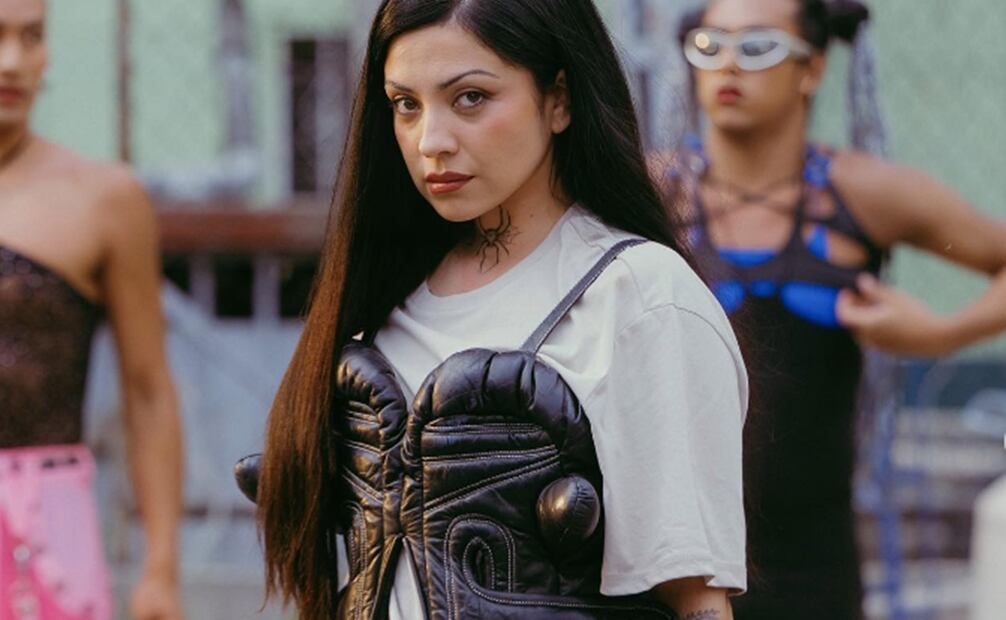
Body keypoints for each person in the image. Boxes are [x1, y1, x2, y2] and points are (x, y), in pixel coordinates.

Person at [250, 0, 749, 618]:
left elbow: (695, 598)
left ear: (558, 99)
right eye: (406, 104)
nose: (431, 141)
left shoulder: (639, 295)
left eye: (470, 98)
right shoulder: (377, 304)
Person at [658, 0, 1006, 618]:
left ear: (812, 69)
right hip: (672, 564)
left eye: (758, 46)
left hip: (814, 568)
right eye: (710, 46)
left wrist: (943, 333)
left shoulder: (860, 192)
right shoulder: (653, 194)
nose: (728, 65)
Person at [0, 0, 184, 618]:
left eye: (32, 37)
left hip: (48, 543)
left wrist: (160, 569)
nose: (12, 61)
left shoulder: (104, 200)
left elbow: (148, 390)